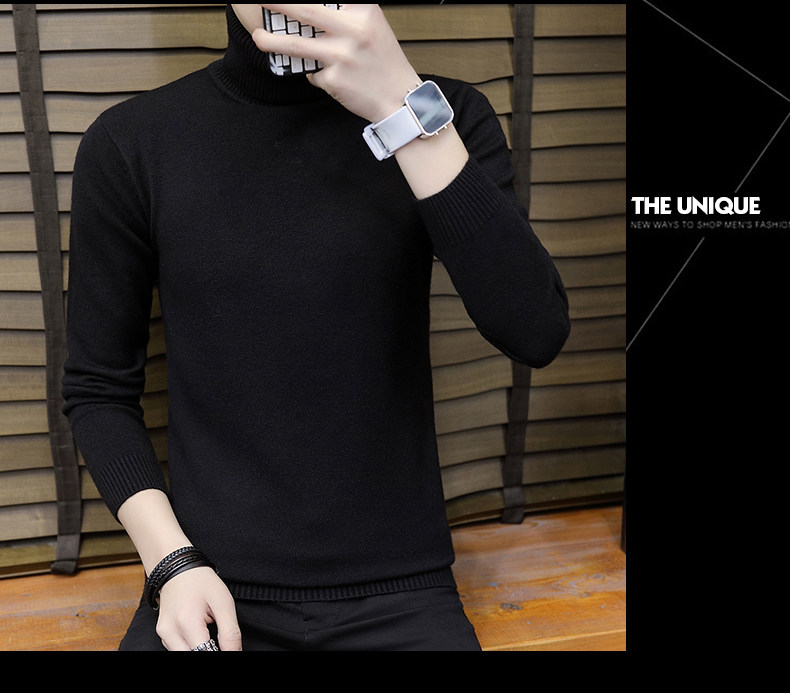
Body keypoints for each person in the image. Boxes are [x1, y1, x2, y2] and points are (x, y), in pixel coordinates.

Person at [62, 4, 570, 651]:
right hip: (207, 582)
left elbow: (535, 330)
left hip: (402, 588)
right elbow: (98, 391)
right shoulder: (133, 141)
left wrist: (402, 107)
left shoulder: (448, 115)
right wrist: (172, 564)